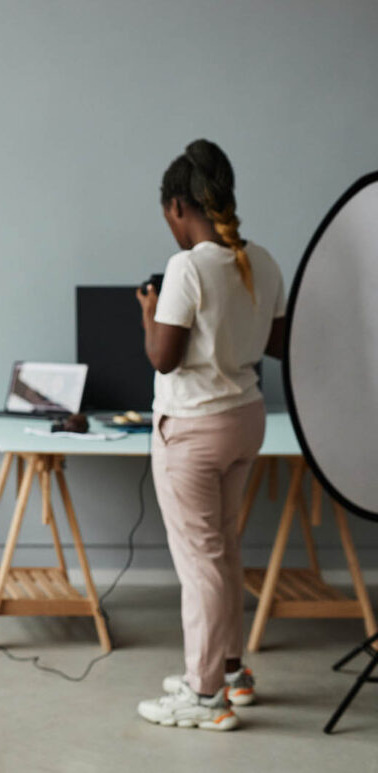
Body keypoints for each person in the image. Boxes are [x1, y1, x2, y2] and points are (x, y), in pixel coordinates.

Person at [134, 139, 286, 731]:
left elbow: (164, 358)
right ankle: (230, 673)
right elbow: (276, 344)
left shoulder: (187, 267)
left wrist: (149, 311)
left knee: (201, 563)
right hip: (246, 421)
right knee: (223, 551)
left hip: (192, 432)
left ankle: (203, 699)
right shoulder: (263, 260)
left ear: (178, 206)